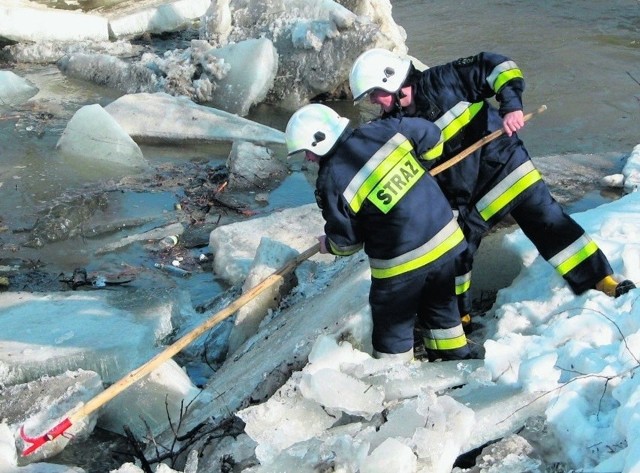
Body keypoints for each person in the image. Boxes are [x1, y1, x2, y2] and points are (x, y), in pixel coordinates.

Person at [349, 48, 636, 329]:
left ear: (392, 81)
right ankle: (458, 318)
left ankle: (601, 279)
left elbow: (499, 66)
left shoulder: (447, 79)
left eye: (376, 93)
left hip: (506, 168)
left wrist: (511, 106)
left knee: (549, 221)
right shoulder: (393, 125)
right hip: (465, 197)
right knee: (455, 255)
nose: (375, 101)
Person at [285, 103, 472, 362]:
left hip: (401, 264)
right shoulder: (382, 129)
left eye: (307, 151)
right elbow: (432, 135)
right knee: (441, 310)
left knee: (392, 328)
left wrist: (329, 245)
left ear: (320, 140)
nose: (308, 158)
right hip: (445, 239)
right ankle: (457, 364)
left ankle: (396, 380)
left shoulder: (332, 181)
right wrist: (423, 164)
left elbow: (347, 242)